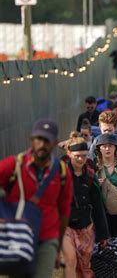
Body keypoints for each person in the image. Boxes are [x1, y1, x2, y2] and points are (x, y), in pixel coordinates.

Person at [0, 119, 73, 278]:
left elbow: (64, 211)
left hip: (46, 238)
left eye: (46, 140)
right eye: (38, 139)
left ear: (55, 143)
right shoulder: (14, 165)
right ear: (31, 140)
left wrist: (58, 247)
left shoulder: (62, 173)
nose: (42, 144)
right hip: (17, 235)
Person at [62, 132, 109, 278]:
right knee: (70, 260)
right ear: (69, 154)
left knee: (85, 266)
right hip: (65, 226)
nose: (81, 159)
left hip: (86, 226)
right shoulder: (60, 175)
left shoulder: (89, 176)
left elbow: (98, 206)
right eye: (77, 156)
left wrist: (103, 234)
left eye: (84, 155)